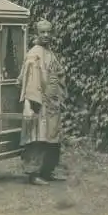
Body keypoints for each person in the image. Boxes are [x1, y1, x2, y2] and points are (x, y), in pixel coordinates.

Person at [17, 19, 68, 186]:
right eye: (42, 32)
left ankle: (48, 171)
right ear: (36, 34)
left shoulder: (50, 52)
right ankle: (33, 174)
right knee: (38, 138)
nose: (46, 35)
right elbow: (30, 79)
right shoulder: (34, 53)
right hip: (39, 103)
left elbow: (58, 73)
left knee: (52, 138)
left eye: (48, 32)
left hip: (52, 104)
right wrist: (29, 104)